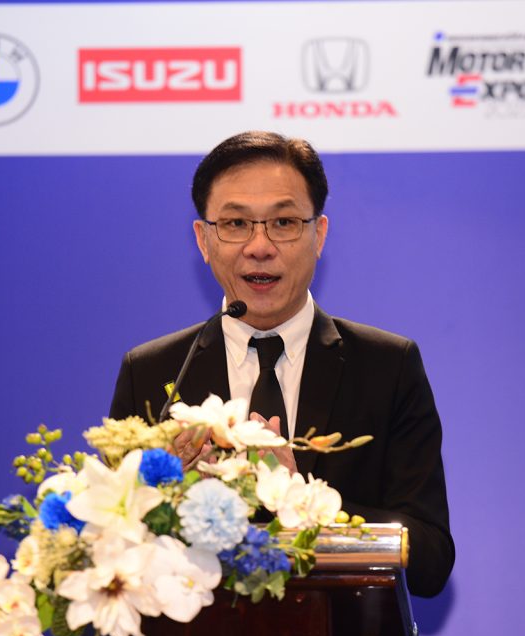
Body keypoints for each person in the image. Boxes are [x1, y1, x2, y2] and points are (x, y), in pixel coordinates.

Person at [109, 131, 453, 597]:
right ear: (203, 240)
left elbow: (431, 560)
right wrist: (162, 496)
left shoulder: (387, 367)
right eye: (235, 223)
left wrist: (301, 499)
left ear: (319, 235)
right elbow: (114, 546)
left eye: (284, 222)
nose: (259, 245)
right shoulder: (154, 372)